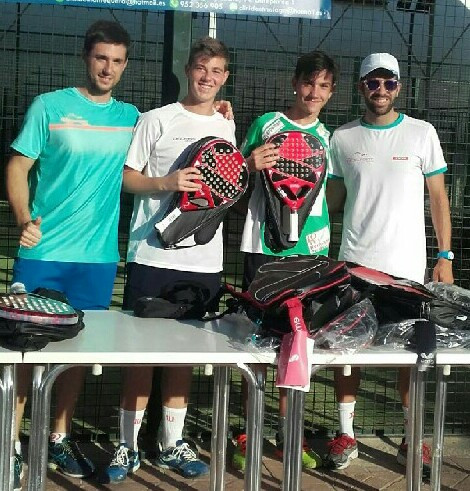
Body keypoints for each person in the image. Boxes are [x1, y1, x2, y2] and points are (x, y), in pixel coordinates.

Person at [5, 20, 139, 490]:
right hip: (43, 254)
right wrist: (23, 219)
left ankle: (58, 439)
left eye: (117, 61)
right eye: (101, 58)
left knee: (75, 354)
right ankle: (11, 444)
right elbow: (18, 165)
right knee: (24, 354)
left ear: (125, 66)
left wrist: (218, 110)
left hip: (97, 260)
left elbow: (171, 139)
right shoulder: (49, 106)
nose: (108, 68)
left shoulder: (132, 118)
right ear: (86, 57)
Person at [98, 36, 235, 484]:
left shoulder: (228, 125)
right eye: (201, 68)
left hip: (205, 264)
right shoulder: (155, 119)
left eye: (216, 71)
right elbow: (127, 178)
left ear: (225, 77)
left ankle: (170, 443)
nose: (207, 78)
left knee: (183, 358)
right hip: (151, 257)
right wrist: (167, 182)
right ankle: (127, 446)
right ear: (188, 70)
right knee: (140, 356)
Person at [325, 52, 453, 473]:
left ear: (399, 87)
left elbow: (438, 198)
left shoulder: (422, 133)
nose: (380, 90)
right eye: (372, 82)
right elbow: (332, 202)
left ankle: (411, 438)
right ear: (360, 87)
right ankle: (346, 434)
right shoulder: (342, 138)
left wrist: (445, 255)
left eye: (389, 82)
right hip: (354, 269)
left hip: (408, 272)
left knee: (410, 356)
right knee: (348, 352)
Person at [231, 51, 337, 471]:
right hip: (263, 251)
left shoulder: (330, 137)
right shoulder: (267, 124)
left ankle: (289, 434)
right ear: (295, 83)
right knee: (255, 341)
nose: (314, 92)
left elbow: (334, 193)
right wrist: (249, 165)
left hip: (311, 255)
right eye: (309, 82)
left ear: (331, 92)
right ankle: (248, 432)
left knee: (298, 346)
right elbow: (235, 178)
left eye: (323, 86)